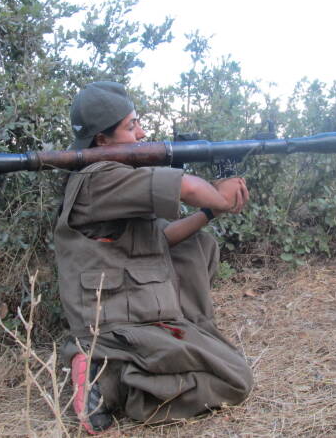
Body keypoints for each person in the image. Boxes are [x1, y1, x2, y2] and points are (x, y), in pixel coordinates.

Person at [54, 81, 253, 434]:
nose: (142, 133)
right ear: (102, 139)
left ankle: (170, 344)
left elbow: (161, 238)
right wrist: (220, 196)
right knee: (235, 380)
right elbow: (186, 187)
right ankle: (107, 379)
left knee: (197, 244)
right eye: (131, 126)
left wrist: (212, 211)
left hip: (132, 307)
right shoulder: (101, 177)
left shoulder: (110, 175)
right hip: (115, 323)